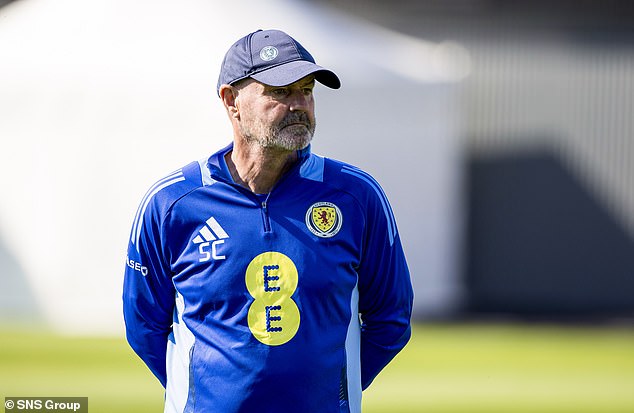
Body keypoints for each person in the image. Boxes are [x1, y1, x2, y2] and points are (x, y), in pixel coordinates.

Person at [123, 28, 413, 413]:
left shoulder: (355, 196)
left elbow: (391, 318)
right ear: (231, 100)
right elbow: (144, 325)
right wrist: (209, 395)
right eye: (280, 91)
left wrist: (333, 391)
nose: (299, 104)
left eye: (307, 90)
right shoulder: (172, 203)